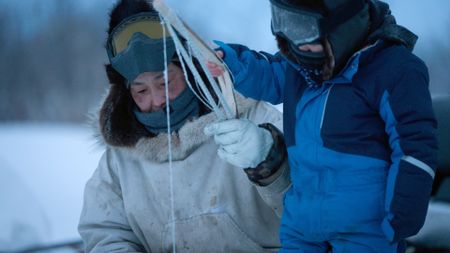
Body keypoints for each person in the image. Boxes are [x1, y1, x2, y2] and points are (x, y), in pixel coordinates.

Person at [207, 0, 438, 252]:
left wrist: (401, 217)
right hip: (302, 224)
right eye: (285, 23)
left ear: (342, 24)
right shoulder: (300, 67)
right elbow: (267, 74)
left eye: (301, 27)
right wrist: (229, 62)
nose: (294, 39)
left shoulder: (394, 69)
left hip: (365, 228)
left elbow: (414, 146)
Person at [77, 0, 291, 252]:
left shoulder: (254, 120)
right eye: (141, 90)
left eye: (165, 82)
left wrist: (272, 163)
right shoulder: (119, 161)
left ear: (188, 68)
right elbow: (106, 233)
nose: (157, 101)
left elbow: (311, 212)